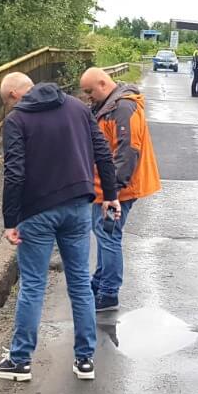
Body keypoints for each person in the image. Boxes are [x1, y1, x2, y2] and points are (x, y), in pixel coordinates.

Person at [0, 72, 121, 383]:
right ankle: (85, 360)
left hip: (37, 212)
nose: (10, 107)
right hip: (77, 207)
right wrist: (110, 195)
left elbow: (14, 173)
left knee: (33, 285)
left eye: (8, 102)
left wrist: (10, 220)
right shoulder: (77, 108)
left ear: (14, 95)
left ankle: (20, 361)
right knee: (79, 284)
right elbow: (102, 152)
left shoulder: (16, 120)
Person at [78, 67, 161, 313]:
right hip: (109, 187)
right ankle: (100, 283)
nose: (88, 97)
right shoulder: (110, 106)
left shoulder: (123, 108)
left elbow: (128, 151)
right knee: (105, 234)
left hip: (118, 189)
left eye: (89, 91)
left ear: (103, 84)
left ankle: (108, 293)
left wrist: (111, 192)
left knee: (108, 236)